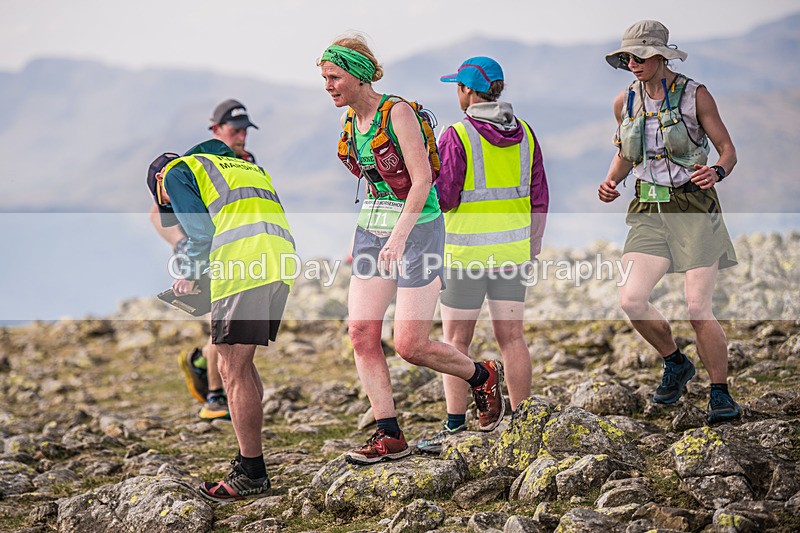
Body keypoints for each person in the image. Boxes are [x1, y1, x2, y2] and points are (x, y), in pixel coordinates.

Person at [319, 35, 505, 465]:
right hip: (372, 232)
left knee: (410, 344)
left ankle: (482, 375)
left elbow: (422, 181)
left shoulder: (396, 112)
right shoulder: (351, 120)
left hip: (417, 231)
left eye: (334, 77)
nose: (328, 85)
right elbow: (375, 184)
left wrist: (400, 235)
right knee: (362, 333)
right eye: (325, 78)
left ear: (359, 75)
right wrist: (366, 239)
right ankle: (389, 436)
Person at [597, 20, 741, 424]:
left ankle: (720, 394)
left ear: (662, 56)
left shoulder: (697, 96)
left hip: (694, 209)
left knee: (697, 308)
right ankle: (676, 363)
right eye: (628, 57)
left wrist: (717, 172)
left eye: (641, 56)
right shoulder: (624, 101)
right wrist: (611, 181)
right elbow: (627, 153)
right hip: (648, 211)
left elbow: (727, 149)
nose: (633, 64)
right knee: (631, 299)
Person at [147, 137, 296, 501]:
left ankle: (251, 471)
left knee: (231, 368)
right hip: (278, 259)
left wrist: (192, 274)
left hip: (244, 265)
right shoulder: (240, 165)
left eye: (166, 204)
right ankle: (251, 462)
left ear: (158, 185)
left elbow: (202, 232)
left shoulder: (177, 172)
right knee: (240, 364)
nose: (171, 208)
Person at [417, 57, 549, 454]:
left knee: (457, 340)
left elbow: (446, 196)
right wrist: (534, 244)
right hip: (512, 251)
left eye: (457, 86)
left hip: (465, 254)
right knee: (513, 337)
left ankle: (456, 426)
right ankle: (523, 421)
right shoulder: (526, 133)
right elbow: (538, 194)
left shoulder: (458, 135)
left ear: (469, 92)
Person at [149, 99, 259, 422]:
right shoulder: (193, 163)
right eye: (235, 130)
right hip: (205, 250)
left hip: (233, 250)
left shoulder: (245, 161)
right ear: (215, 129)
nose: (241, 137)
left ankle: (200, 364)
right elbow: (158, 210)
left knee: (230, 335)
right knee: (220, 328)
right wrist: (183, 245)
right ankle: (214, 395)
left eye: (245, 131)